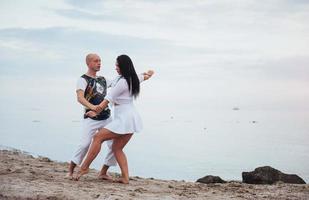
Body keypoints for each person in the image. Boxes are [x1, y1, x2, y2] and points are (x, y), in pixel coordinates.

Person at [75, 55, 154, 184]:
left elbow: (106, 101)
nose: (116, 67)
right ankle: (125, 178)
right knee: (117, 148)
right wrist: (149, 73)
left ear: (123, 66)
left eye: (117, 65)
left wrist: (94, 112)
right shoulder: (133, 78)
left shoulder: (123, 82)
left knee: (97, 138)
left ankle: (84, 168)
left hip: (124, 119)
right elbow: (145, 77)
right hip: (131, 118)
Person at [66, 53, 117, 180]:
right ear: (88, 63)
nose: (99, 63)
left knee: (114, 145)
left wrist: (140, 76)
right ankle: (71, 170)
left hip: (106, 118)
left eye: (100, 61)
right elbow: (80, 98)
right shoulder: (82, 80)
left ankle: (104, 172)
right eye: (96, 61)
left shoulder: (104, 79)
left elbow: (120, 81)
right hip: (91, 118)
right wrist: (93, 107)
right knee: (84, 144)